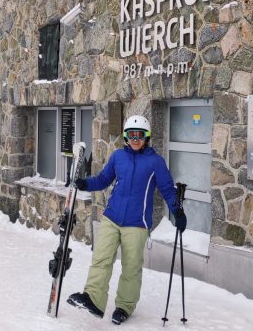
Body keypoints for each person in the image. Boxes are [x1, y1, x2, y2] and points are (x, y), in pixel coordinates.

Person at [67, 115, 187, 325]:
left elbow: (168, 190)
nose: (135, 139)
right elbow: (103, 180)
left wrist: (177, 211)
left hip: (137, 223)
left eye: (139, 135)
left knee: (131, 267)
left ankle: (124, 306)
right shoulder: (118, 157)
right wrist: (84, 184)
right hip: (112, 217)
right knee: (101, 258)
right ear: (125, 136)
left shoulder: (155, 162)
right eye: (131, 135)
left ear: (147, 137)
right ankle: (93, 298)